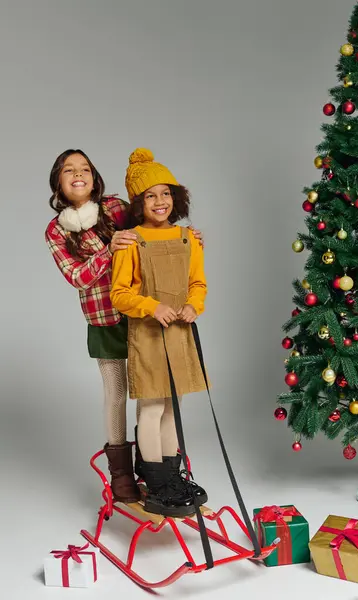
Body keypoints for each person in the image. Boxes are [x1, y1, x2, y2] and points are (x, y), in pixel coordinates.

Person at [44, 149, 204, 505]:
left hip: (143, 314)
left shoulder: (115, 208)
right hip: (104, 319)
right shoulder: (56, 230)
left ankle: (154, 467)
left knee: (151, 391)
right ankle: (121, 472)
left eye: (84, 168)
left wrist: (184, 240)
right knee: (117, 393)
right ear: (58, 180)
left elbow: (151, 226)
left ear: (94, 175)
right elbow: (76, 276)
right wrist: (108, 252)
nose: (78, 174)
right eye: (69, 170)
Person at [110, 148, 208, 517]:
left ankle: (171, 476)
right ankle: (156, 482)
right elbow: (120, 294)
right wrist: (152, 307)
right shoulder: (130, 241)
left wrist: (192, 306)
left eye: (165, 193)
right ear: (138, 203)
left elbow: (198, 284)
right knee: (151, 406)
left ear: (176, 197)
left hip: (180, 332)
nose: (160, 201)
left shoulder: (188, 238)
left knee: (173, 406)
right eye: (150, 195)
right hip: (148, 334)